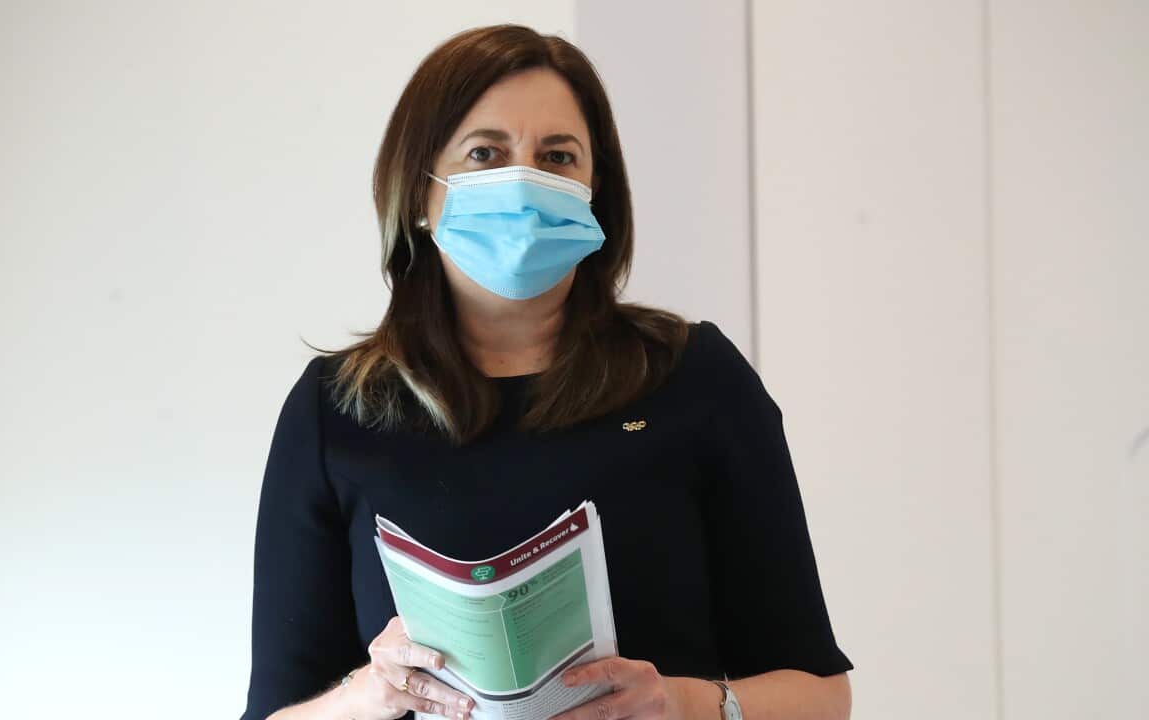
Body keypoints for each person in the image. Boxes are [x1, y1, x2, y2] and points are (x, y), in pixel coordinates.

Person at [240, 23, 853, 720]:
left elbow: (822, 696)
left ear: (597, 190)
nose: (524, 181)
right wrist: (370, 695)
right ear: (419, 190)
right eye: (485, 153)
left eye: (558, 156)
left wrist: (679, 704)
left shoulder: (694, 378)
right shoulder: (337, 410)